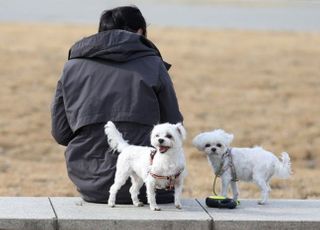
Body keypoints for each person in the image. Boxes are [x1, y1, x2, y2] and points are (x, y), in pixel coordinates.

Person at [51, 6, 183, 204]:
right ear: (140, 32)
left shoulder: (71, 67)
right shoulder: (153, 65)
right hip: (155, 185)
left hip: (90, 183)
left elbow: (60, 133)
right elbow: (174, 127)